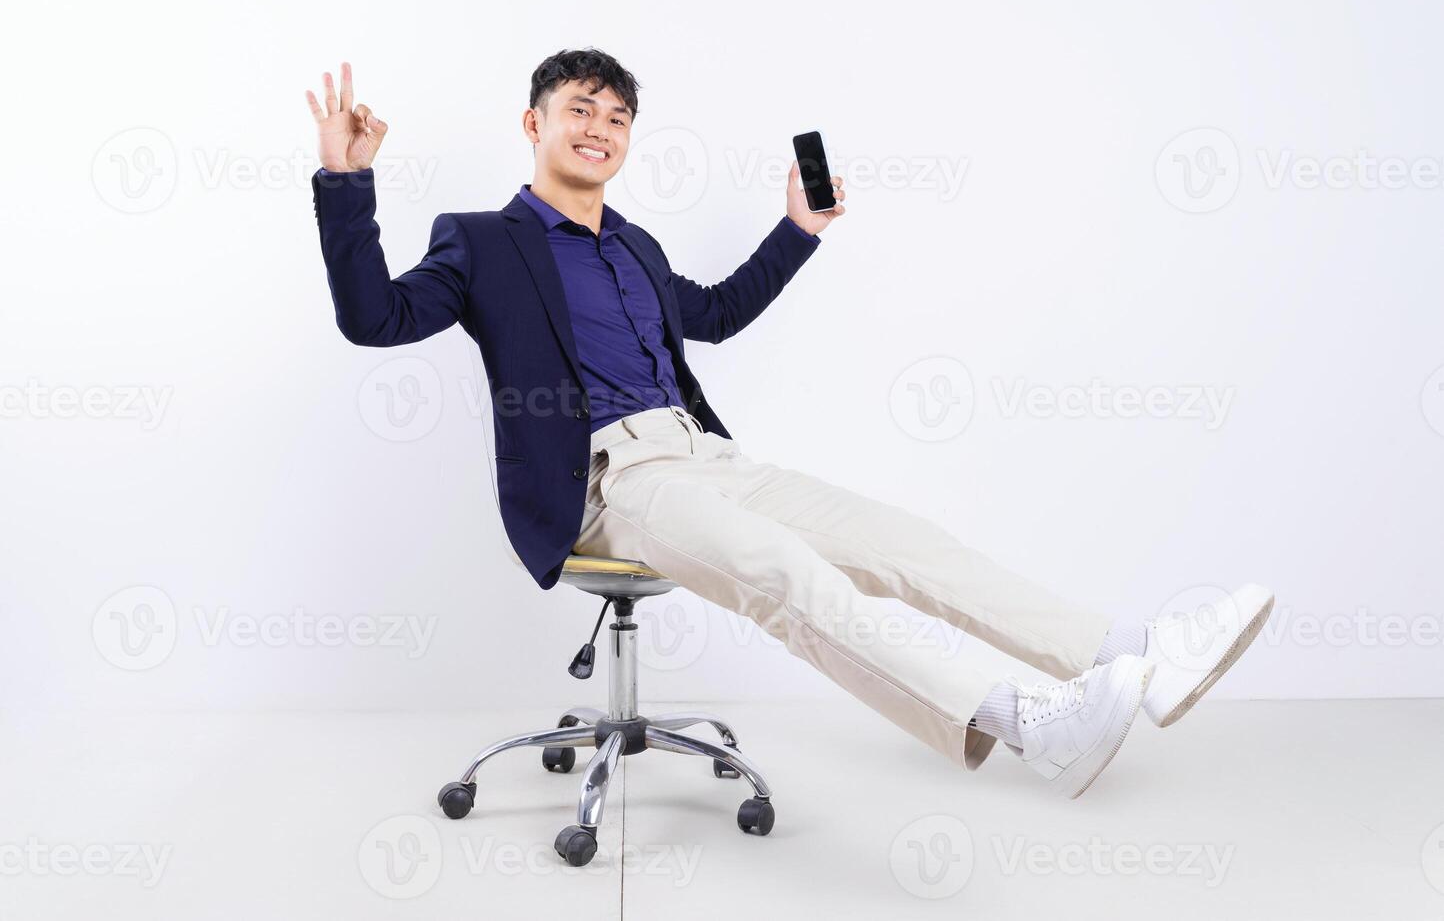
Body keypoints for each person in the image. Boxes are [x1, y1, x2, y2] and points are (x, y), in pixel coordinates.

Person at [305, 48, 1274, 799]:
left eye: (617, 115)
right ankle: (1026, 722)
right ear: (534, 122)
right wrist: (346, 185)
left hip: (705, 455)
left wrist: (797, 230)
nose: (600, 128)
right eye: (580, 110)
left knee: (901, 539)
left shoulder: (633, 244)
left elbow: (715, 313)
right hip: (608, 484)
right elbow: (373, 319)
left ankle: (1131, 651)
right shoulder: (479, 240)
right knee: (788, 574)